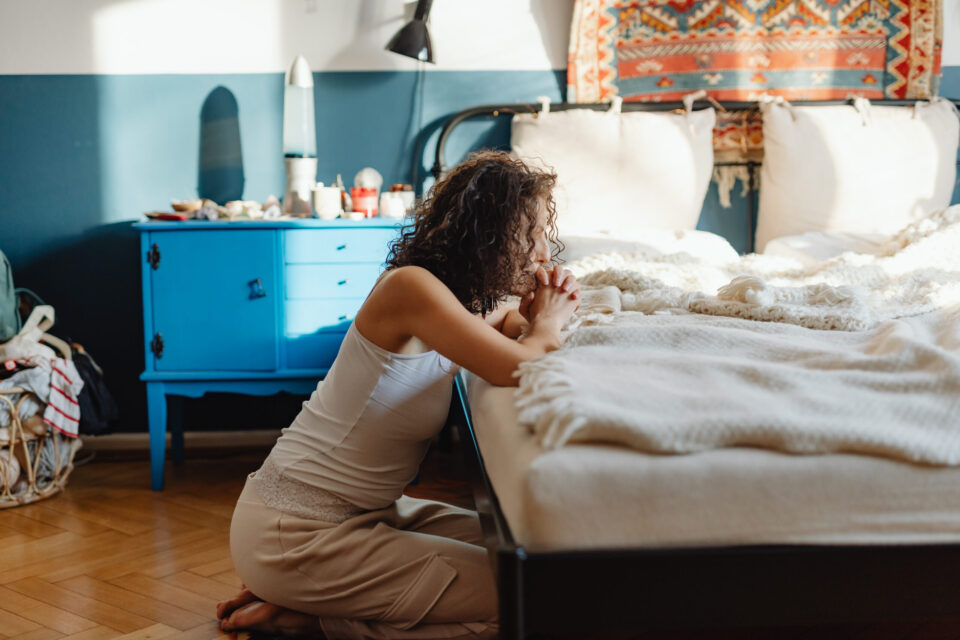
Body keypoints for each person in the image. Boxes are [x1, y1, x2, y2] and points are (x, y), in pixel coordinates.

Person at [217, 150, 581, 639]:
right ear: (491, 237)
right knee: (528, 601)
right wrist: (551, 321)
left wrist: (538, 314)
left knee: (537, 553)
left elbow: (513, 328)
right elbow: (521, 364)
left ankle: (303, 598)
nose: (544, 252)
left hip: (370, 515)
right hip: (299, 532)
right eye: (531, 236)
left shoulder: (462, 303)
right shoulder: (410, 289)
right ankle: (312, 620)